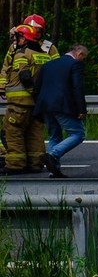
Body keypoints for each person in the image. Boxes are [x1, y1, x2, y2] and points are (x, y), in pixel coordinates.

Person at [1, 24, 52, 175]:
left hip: (19, 104)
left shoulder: (21, 54)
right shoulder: (44, 55)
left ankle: (16, 164)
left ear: (24, 38)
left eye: (17, 38)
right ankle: (36, 164)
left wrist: (31, 92)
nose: (15, 41)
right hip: (37, 104)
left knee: (13, 132)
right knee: (34, 134)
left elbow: (24, 76)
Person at [33, 44, 88, 178]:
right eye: (84, 58)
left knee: (54, 135)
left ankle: (54, 170)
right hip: (62, 105)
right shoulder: (75, 64)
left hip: (45, 105)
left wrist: (39, 104)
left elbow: (36, 87)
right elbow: (77, 87)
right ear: (79, 54)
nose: (83, 60)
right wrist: (81, 108)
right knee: (78, 134)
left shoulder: (48, 65)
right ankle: (53, 154)